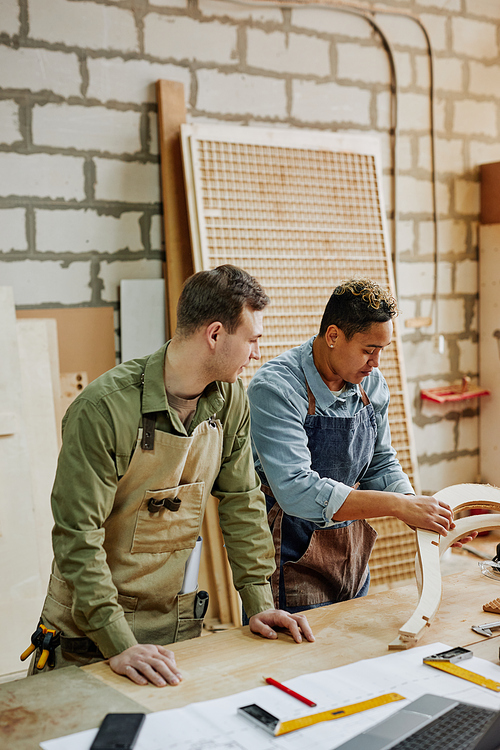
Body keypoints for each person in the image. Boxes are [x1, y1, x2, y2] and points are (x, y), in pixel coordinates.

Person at [26, 265, 313, 687]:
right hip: (86, 637)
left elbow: (242, 502)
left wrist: (258, 601)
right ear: (214, 335)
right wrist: (117, 641)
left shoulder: (230, 401)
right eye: (252, 340)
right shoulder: (103, 411)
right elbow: (77, 536)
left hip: (172, 631)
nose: (257, 353)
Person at [247, 278, 475, 614]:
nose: (377, 363)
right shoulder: (277, 388)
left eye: (382, 350)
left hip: (352, 553)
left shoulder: (371, 385)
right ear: (334, 336)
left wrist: (418, 510)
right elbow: (296, 490)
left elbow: (381, 463)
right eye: (369, 350)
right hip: (287, 555)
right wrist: (397, 505)